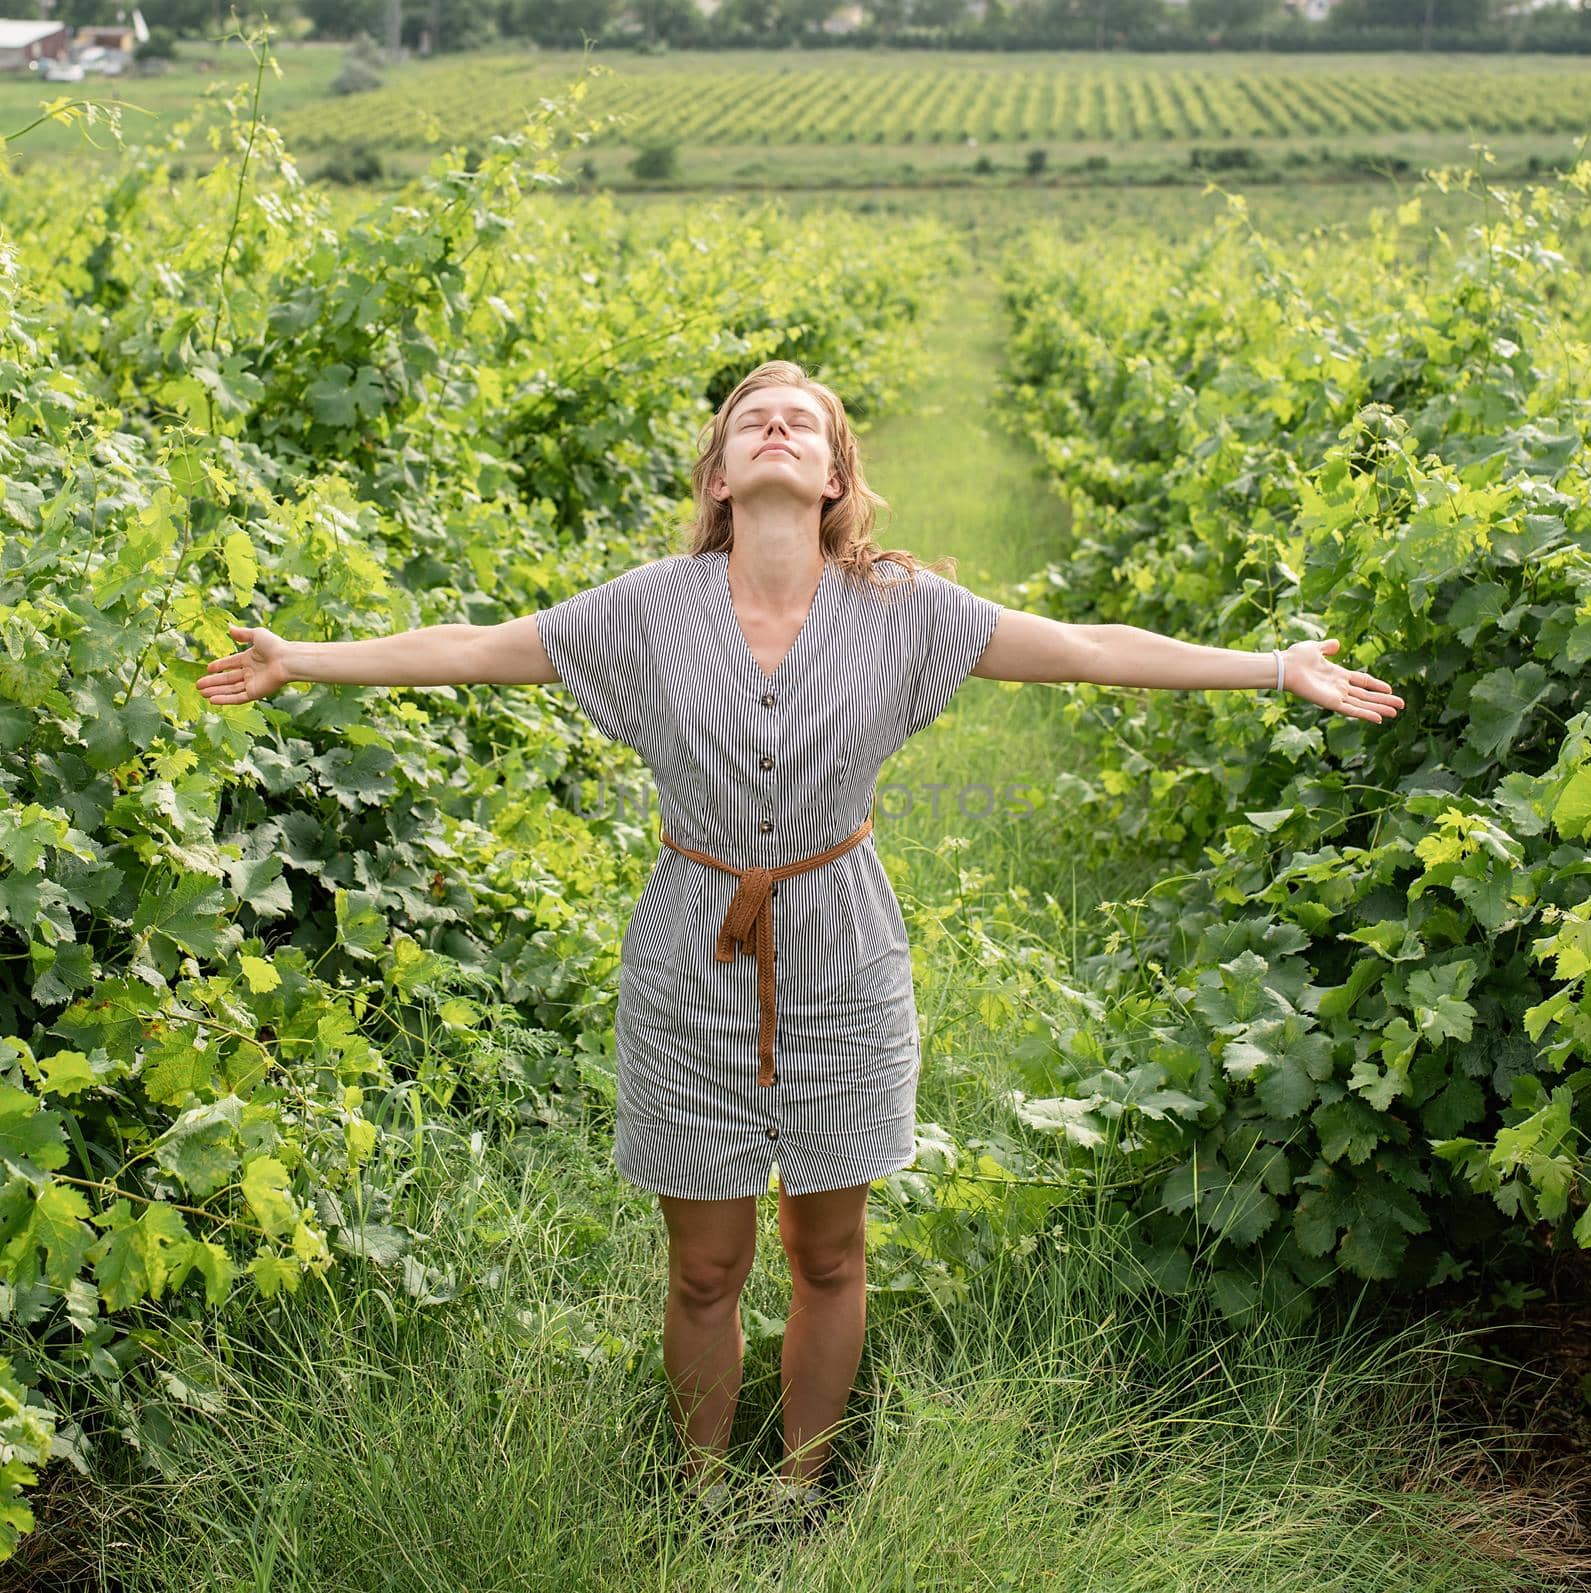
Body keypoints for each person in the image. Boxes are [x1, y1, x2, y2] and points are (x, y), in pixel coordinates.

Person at [197, 358, 1405, 1521]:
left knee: (829, 1251)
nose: (775, 429)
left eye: (802, 421)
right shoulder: (644, 611)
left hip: (843, 945)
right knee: (705, 1266)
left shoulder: (905, 611)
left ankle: (801, 1489)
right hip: (689, 947)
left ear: (835, 476)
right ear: (719, 475)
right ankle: (696, 1491)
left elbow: (1086, 649)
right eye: (750, 419)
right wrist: (304, 660)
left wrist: (1272, 669)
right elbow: (474, 650)